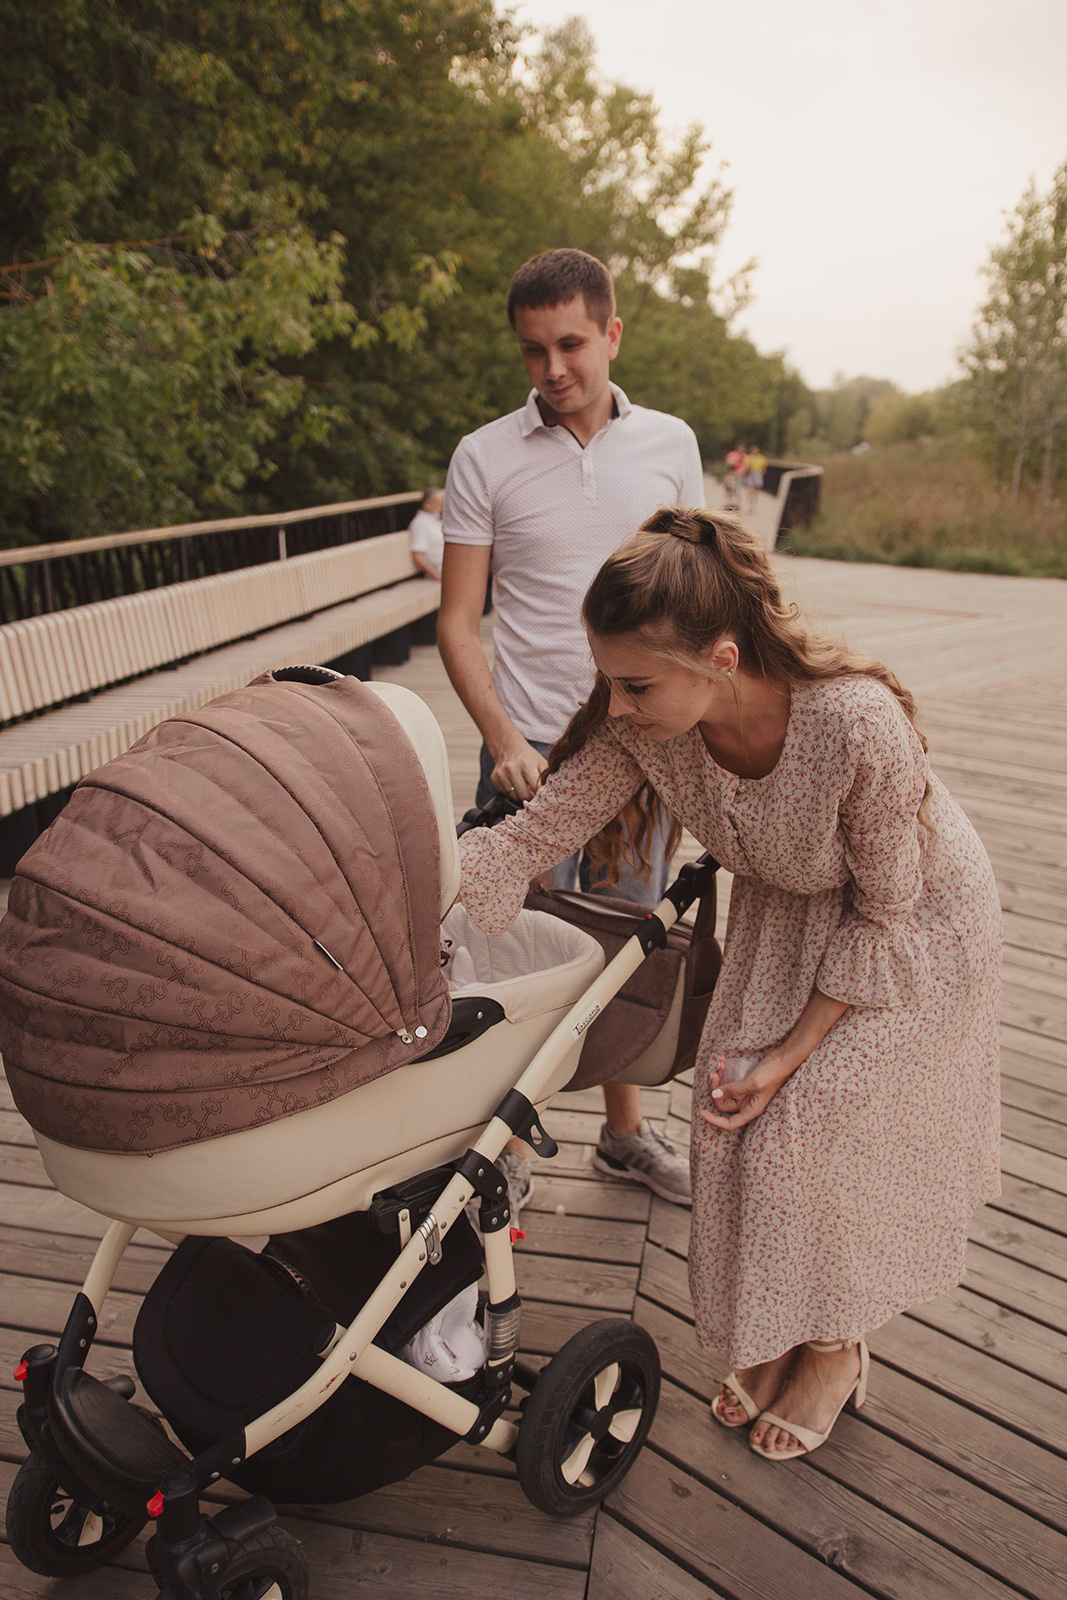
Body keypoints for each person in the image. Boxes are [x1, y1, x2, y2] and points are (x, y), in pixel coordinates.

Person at [457, 508, 1001, 1461]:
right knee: (736, 1120)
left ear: (719, 656)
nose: (615, 706)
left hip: (907, 920)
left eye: (635, 684)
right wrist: (437, 890)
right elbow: (534, 835)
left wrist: (792, 1055)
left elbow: (886, 907)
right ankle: (789, 1329)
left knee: (813, 1120)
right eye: (608, 681)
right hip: (785, 917)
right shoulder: (649, 729)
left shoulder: (851, 723)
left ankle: (833, 1347)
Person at [438, 247, 705, 1212]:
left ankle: (623, 1139)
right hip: (523, 754)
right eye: (532, 351)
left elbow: (693, 596)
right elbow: (456, 621)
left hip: (643, 748)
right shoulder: (485, 455)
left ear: (612, 334)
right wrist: (505, 737)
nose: (552, 370)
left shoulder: (670, 443)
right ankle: (495, 1143)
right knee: (503, 955)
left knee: (623, 947)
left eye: (570, 345)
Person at [408, 487, 445, 581]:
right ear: (427, 504)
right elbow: (417, 556)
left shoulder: (436, 521)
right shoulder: (420, 523)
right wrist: (437, 576)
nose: (442, 507)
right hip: (440, 572)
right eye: (439, 503)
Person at [743, 446, 767, 515]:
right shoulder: (749, 457)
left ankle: (754, 508)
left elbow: (764, 468)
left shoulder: (762, 458)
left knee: (756, 492)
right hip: (751, 474)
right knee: (750, 491)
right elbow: (746, 466)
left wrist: (761, 474)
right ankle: (749, 508)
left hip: (758, 474)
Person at [723, 443, 747, 510]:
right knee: (729, 490)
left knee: (739, 491)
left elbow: (746, 466)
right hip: (732, 474)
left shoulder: (745, 456)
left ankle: (737, 506)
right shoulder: (732, 454)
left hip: (740, 475)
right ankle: (729, 505)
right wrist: (736, 461)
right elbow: (728, 463)